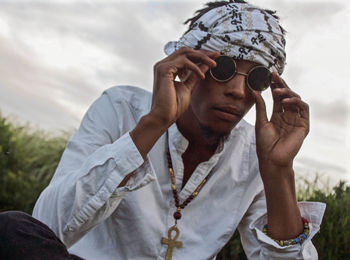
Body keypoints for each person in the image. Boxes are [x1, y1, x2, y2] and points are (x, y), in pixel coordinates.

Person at [2, 1, 326, 259]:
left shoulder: (255, 152)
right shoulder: (120, 109)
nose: (240, 92)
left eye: (256, 79)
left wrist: (278, 169)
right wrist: (154, 125)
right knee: (11, 231)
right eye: (223, 69)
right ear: (190, 65)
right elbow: (47, 224)